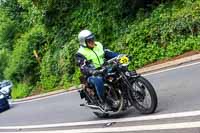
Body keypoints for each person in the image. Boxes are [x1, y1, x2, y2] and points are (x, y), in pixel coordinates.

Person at [76, 29, 119, 110]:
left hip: (104, 68)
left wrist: (120, 56)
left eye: (92, 38)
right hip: (91, 74)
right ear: (83, 42)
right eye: (89, 40)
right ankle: (103, 101)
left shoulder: (98, 45)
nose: (92, 41)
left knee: (118, 69)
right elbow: (83, 67)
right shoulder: (80, 53)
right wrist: (92, 71)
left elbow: (108, 53)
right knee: (98, 80)